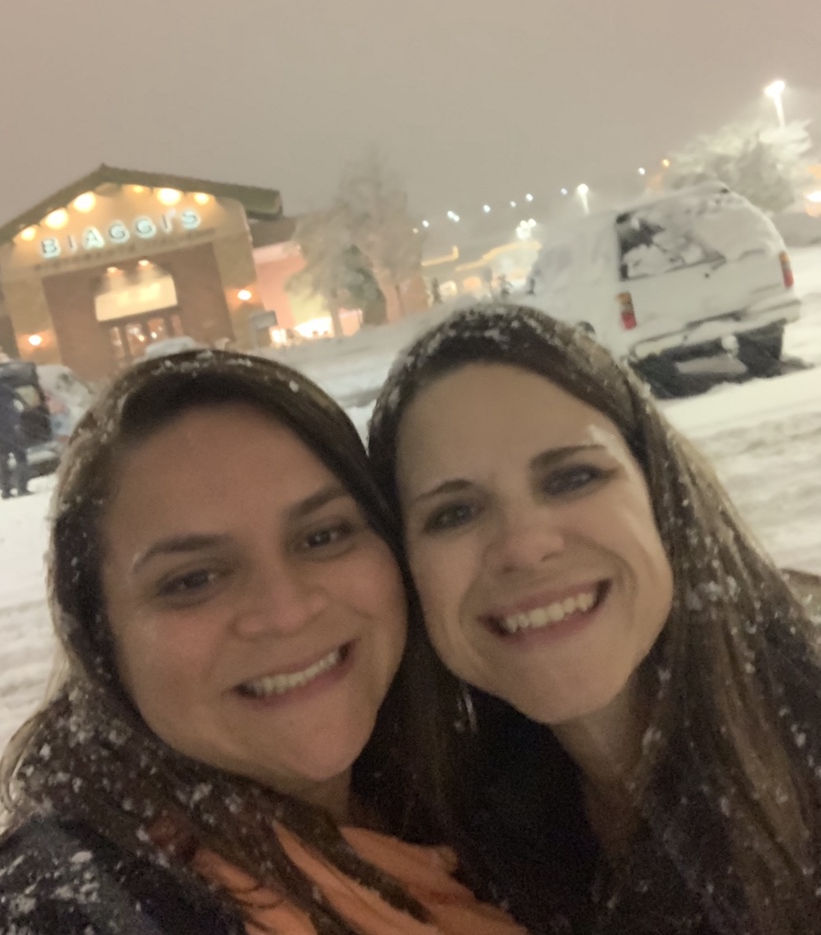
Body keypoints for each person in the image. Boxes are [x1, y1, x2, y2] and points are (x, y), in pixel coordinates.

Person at [0, 348, 524, 935]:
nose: (287, 611)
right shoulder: (76, 909)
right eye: (193, 579)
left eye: (322, 536)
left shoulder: (487, 802)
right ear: (102, 640)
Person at [368, 303, 821, 935]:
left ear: (660, 493)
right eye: (454, 514)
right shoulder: (461, 858)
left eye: (573, 477)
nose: (524, 545)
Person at [0, 377, 30, 499]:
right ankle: (22, 487)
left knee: (2, 460)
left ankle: (6, 490)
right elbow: (20, 401)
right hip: (11, 428)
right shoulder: (5, 389)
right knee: (21, 457)